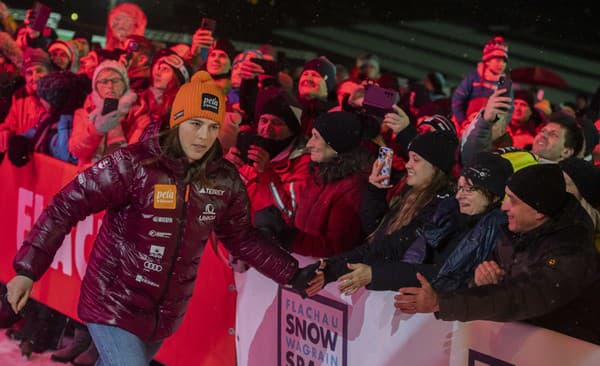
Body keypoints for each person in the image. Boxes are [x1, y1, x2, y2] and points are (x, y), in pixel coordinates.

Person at [5, 71, 320, 365]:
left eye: (212, 127)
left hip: (162, 315)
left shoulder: (224, 181)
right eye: (195, 124)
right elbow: (66, 205)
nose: (203, 136)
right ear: (176, 121)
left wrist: (293, 274)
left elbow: (242, 238)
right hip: (112, 302)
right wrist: (27, 270)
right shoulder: (135, 164)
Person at [395, 164, 600, 345]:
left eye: (512, 200)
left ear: (538, 211)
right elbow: (497, 284)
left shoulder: (571, 253)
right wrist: (478, 281)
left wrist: (441, 303)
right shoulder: (512, 231)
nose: (504, 207)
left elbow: (522, 295)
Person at [317, 151, 512, 296]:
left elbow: (445, 275)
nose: (460, 195)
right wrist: (330, 268)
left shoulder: (498, 230)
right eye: (460, 187)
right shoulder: (449, 213)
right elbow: (391, 244)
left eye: (470, 189)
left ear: (493, 195)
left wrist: (375, 274)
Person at [254, 111, 373, 257]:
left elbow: (336, 248)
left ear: (335, 143)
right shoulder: (318, 173)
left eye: (316, 137)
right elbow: (298, 219)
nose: (309, 144)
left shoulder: (352, 190)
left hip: (325, 274)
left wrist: (288, 237)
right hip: (305, 260)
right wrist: (276, 225)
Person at [225, 86, 310, 217]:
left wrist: (266, 174)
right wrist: (225, 169)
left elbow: (289, 213)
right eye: (263, 120)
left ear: (292, 130)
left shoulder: (302, 163)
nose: (267, 128)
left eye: (277, 123)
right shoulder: (251, 150)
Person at [69, 60, 150, 169]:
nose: (110, 86)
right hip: (89, 180)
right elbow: (76, 150)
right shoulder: (84, 114)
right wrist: (97, 129)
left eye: (116, 81)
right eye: (104, 81)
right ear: (95, 86)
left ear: (125, 85)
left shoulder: (139, 116)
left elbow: (134, 157)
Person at [452, 36, 512, 130]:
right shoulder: (473, 77)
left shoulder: (505, 84)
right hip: (466, 124)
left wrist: (498, 127)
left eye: (504, 61)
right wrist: (462, 121)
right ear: (487, 61)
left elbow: (507, 110)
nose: (501, 64)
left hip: (490, 128)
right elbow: (457, 100)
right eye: (497, 60)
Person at [0, 48, 51, 154]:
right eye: (29, 73)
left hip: (45, 162)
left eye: (39, 71)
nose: (34, 77)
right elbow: (9, 125)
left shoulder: (56, 97)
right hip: (23, 160)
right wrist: (4, 132)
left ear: (49, 71)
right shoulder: (20, 96)